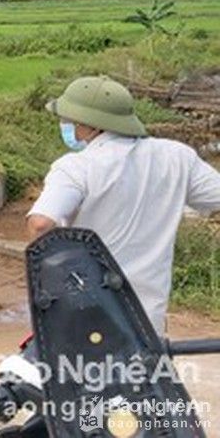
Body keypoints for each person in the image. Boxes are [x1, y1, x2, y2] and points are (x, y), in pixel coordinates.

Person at [26, 76, 220, 336]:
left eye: (69, 120)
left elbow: (40, 224)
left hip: (87, 312)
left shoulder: (76, 167)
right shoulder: (176, 157)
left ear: (88, 124)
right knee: (144, 373)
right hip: (146, 317)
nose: (66, 125)